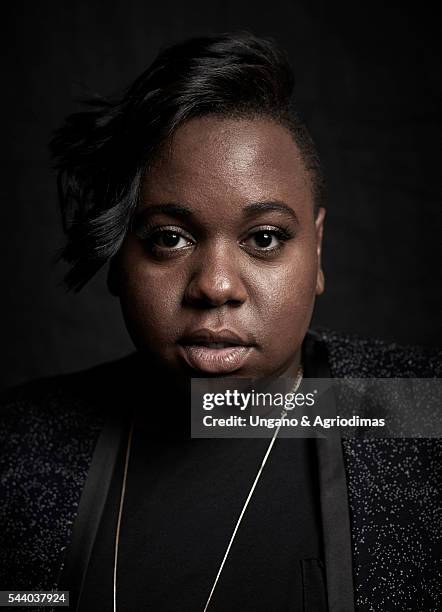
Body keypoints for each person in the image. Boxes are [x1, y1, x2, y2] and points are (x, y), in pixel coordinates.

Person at [0, 32, 440, 612]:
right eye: (169, 238)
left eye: (264, 238)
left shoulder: (419, 415)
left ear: (318, 253)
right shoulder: (18, 448)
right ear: (116, 257)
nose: (215, 285)